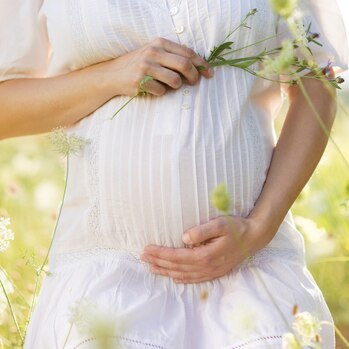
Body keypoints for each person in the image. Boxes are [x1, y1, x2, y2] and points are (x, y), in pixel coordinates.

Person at [0, 0, 348, 348]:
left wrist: (260, 227)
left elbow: (318, 79)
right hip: (106, 282)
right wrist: (107, 77)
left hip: (254, 273)